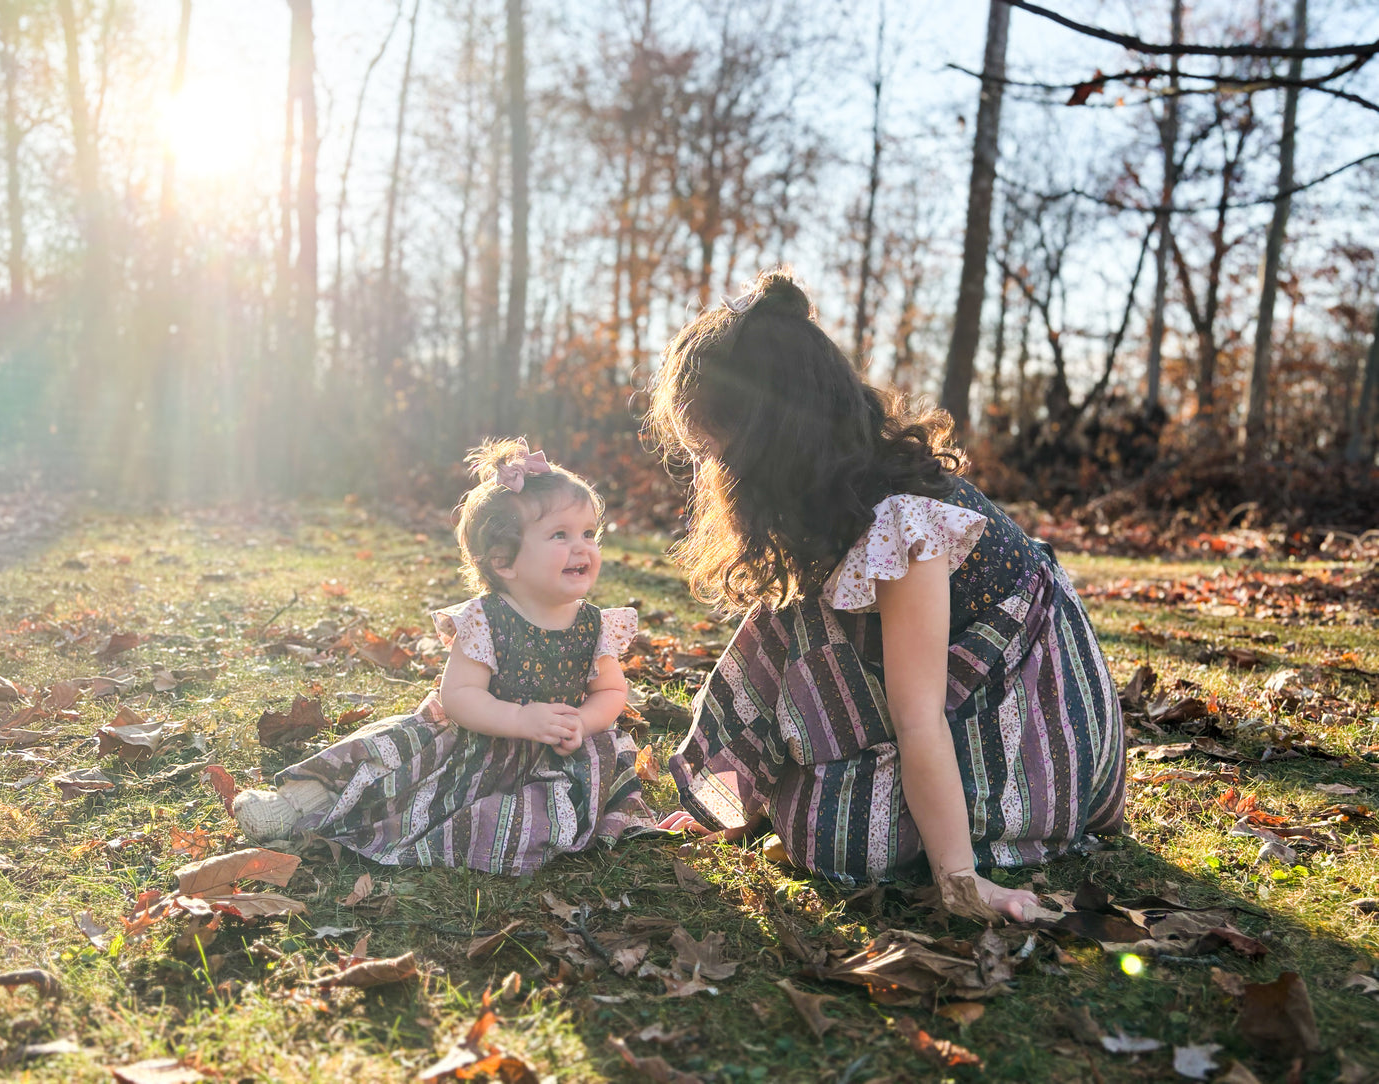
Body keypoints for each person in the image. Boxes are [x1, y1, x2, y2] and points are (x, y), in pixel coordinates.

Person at [645, 270, 1125, 920]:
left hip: (1020, 710)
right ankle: (731, 797)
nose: (709, 474)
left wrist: (958, 881)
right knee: (782, 620)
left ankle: (774, 798)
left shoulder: (907, 525)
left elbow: (918, 719)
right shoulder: (833, 502)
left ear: (766, 446)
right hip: (936, 686)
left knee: (831, 835)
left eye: (714, 452)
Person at [232, 438, 653, 875]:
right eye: (560, 535)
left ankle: (494, 834)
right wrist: (519, 720)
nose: (582, 547)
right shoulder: (486, 620)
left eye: (588, 533)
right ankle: (298, 803)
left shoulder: (594, 625)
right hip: (472, 742)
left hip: (554, 753)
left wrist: (583, 722)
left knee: (545, 813)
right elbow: (460, 696)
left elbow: (610, 690)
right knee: (390, 760)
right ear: (504, 561)